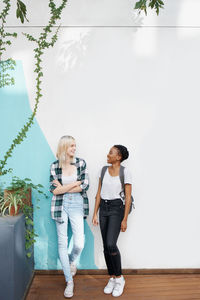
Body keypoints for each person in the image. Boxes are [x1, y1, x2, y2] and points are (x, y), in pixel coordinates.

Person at [50, 135, 89, 298]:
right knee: (62, 242)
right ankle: (69, 282)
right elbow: (54, 190)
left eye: (75, 145)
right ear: (64, 147)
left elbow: (85, 185)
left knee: (79, 242)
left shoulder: (81, 163)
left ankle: (71, 261)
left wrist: (63, 187)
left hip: (76, 204)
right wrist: (75, 183)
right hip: (59, 205)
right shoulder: (54, 166)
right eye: (71, 145)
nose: (74, 148)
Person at [92, 145, 132, 297]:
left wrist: (125, 219)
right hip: (104, 208)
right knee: (105, 246)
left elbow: (127, 197)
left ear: (119, 157)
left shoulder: (125, 172)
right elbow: (98, 193)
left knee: (111, 244)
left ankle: (120, 278)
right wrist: (95, 213)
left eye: (111, 152)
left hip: (117, 208)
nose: (107, 154)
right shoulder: (103, 170)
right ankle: (112, 277)